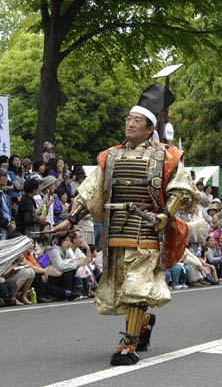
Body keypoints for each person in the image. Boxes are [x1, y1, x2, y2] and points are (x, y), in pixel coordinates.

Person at [52, 83, 198, 365]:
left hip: (147, 229)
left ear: (149, 128)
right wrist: (70, 218)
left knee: (137, 285)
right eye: (128, 119)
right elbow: (91, 190)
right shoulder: (110, 156)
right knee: (123, 286)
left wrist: (165, 215)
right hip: (117, 229)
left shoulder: (165, 155)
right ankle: (142, 324)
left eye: (137, 121)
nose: (130, 124)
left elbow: (181, 190)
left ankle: (128, 345)